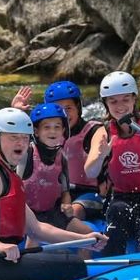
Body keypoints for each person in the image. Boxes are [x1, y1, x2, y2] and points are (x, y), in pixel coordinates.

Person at [0, 108, 107, 280]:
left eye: (25, 138)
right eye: (13, 137)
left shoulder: (9, 174)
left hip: (3, 261)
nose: (21, 143)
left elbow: (37, 229)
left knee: (70, 261)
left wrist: (83, 240)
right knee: (73, 266)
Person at [83, 71, 140, 256]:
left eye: (125, 99)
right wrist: (101, 155)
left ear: (134, 99)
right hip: (123, 199)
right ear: (106, 104)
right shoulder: (103, 133)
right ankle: (110, 268)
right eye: (113, 101)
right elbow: (90, 172)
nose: (120, 106)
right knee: (117, 214)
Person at [22, 102, 94, 234]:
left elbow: (65, 191)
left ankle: (85, 256)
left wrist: (67, 204)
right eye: (47, 127)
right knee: (35, 235)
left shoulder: (62, 157)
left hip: (51, 212)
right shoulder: (26, 154)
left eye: (57, 127)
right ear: (36, 132)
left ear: (63, 131)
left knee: (89, 235)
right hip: (26, 215)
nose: (53, 131)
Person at [44, 80, 105, 220]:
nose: (64, 114)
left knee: (72, 212)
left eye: (68, 108)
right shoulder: (45, 135)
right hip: (60, 193)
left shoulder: (94, 131)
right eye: (58, 109)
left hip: (90, 194)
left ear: (78, 107)